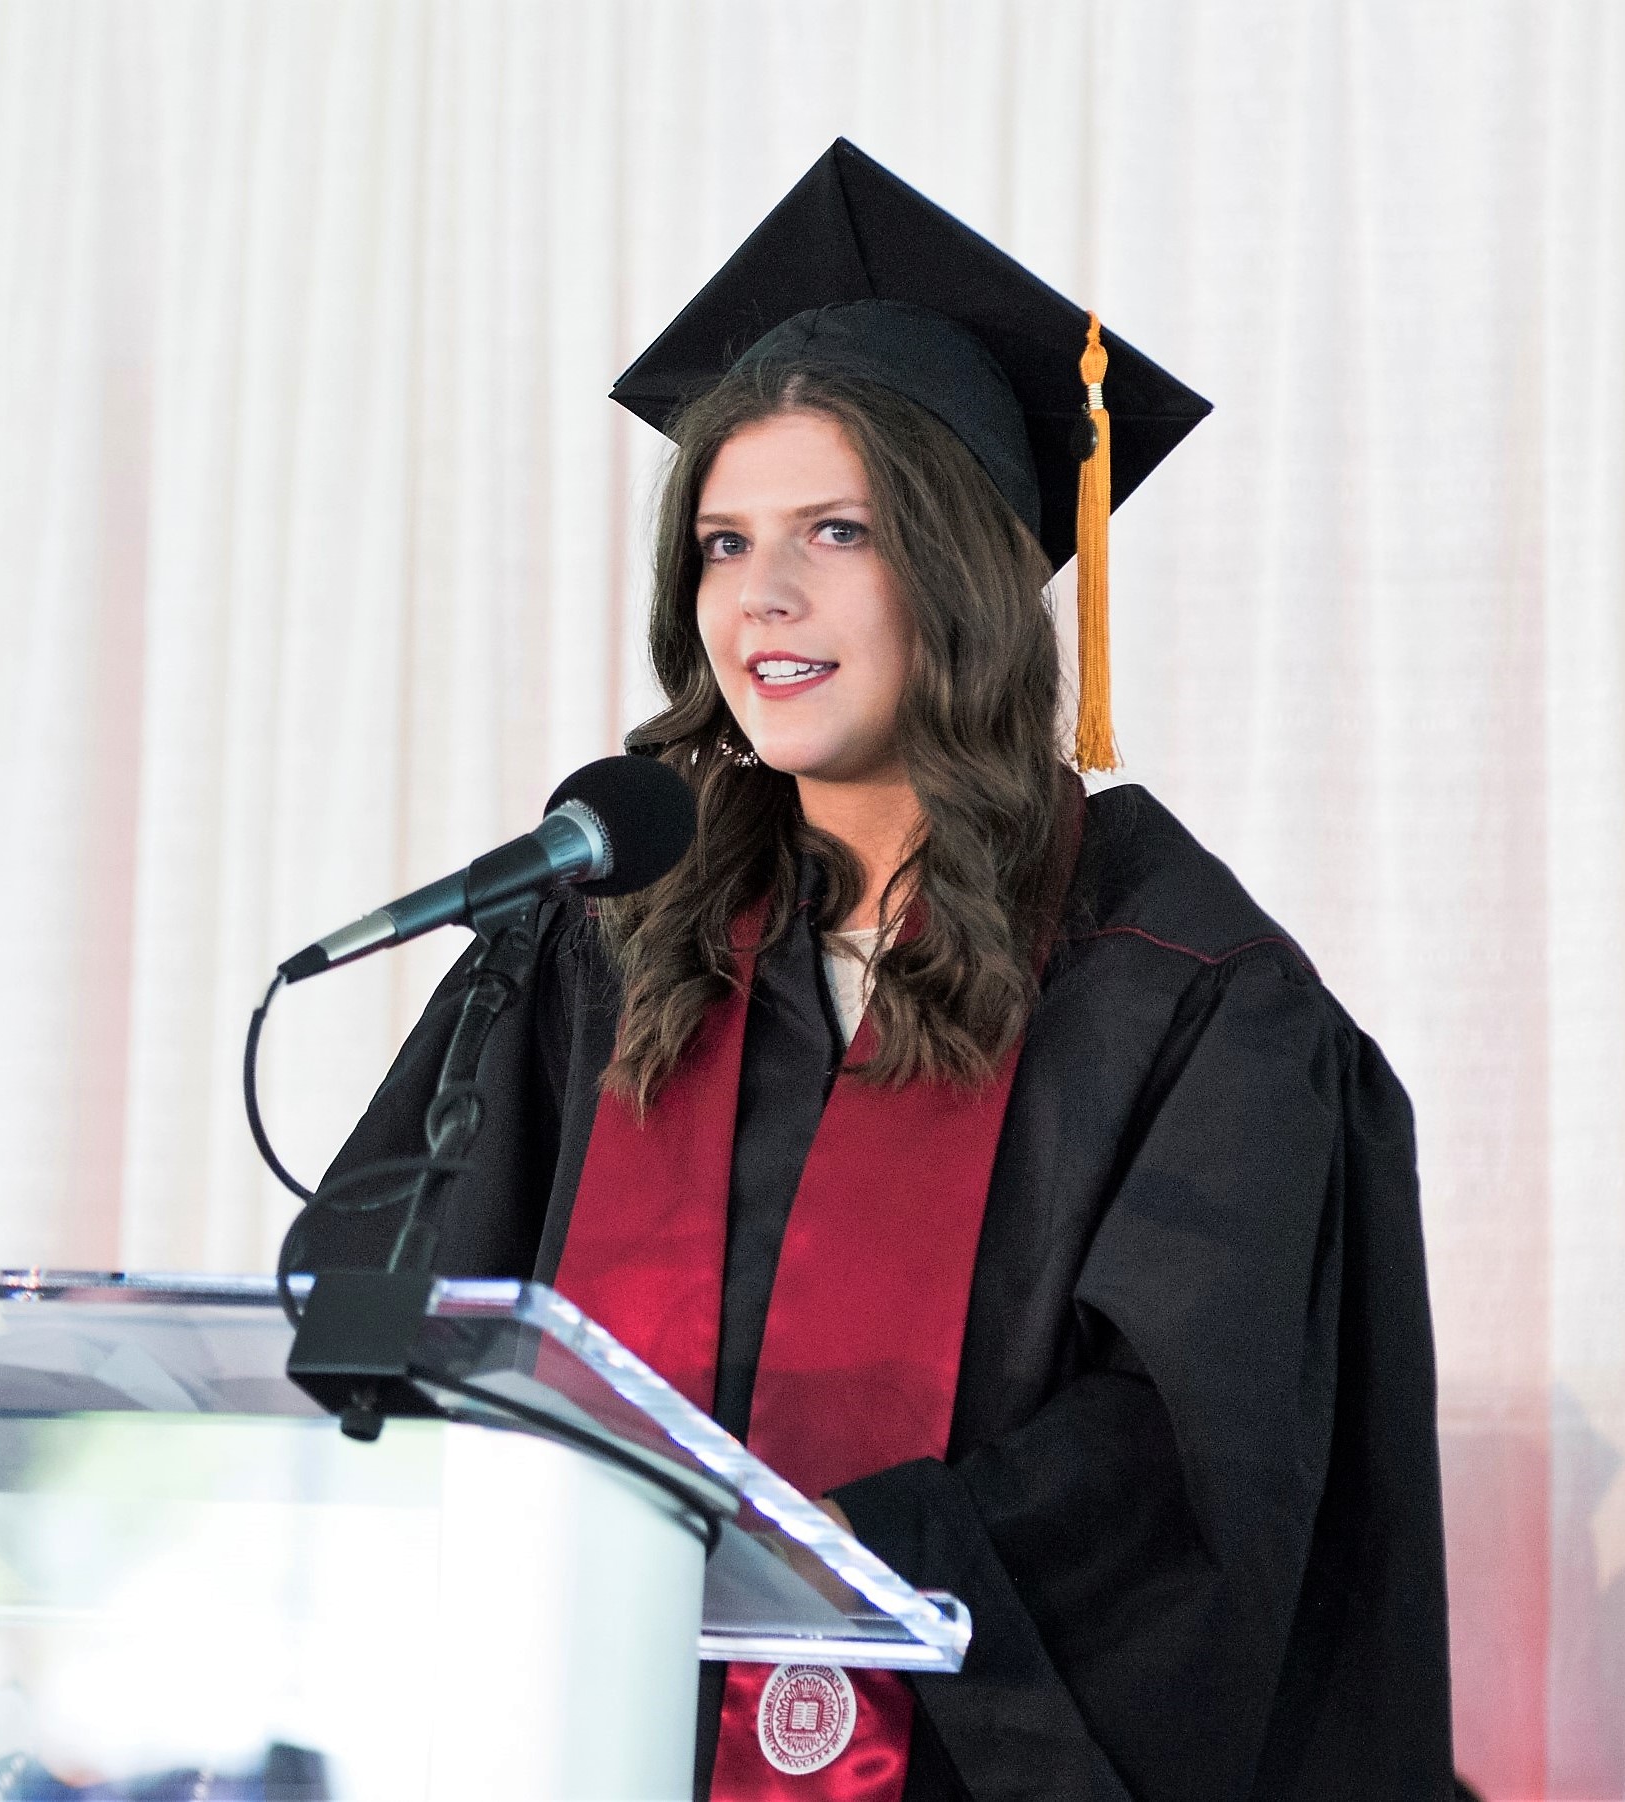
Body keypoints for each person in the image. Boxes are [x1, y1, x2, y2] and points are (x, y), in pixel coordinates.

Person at [300, 140, 1452, 1801]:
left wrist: (845, 1560)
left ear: (968, 569)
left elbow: (1196, 1475)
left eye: (834, 530)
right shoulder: (601, 935)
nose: (758, 594)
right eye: (718, 541)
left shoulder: (1178, 986)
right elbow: (404, 1331)